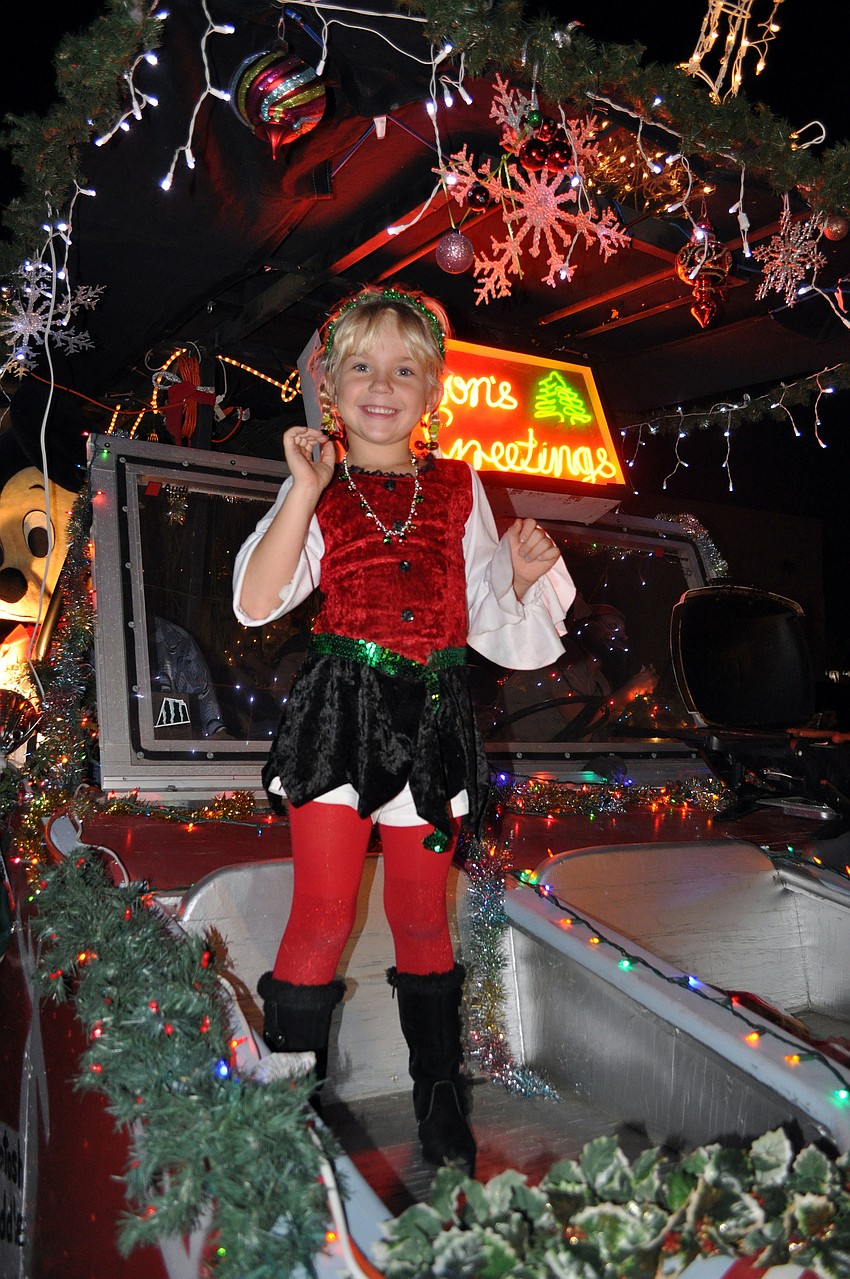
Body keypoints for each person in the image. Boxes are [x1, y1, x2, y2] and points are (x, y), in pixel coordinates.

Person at [232, 284, 575, 1174]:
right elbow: (258, 598)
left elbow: (488, 618)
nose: (380, 385)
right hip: (339, 723)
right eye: (361, 366)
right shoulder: (319, 480)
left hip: (430, 722)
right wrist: (304, 490)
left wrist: (523, 572)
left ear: (431, 390)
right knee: (322, 910)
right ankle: (285, 1121)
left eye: (403, 369)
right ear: (329, 384)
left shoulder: (462, 489)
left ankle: (439, 1105)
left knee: (423, 916)